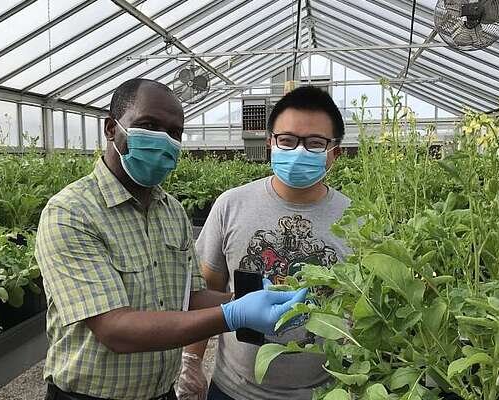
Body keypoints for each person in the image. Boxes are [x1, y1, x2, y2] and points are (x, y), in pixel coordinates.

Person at [35, 78, 307, 400]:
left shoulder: (172, 211)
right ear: (112, 129)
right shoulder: (72, 213)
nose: (163, 140)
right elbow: (115, 329)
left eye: (174, 133)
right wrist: (233, 315)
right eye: (149, 125)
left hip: (162, 393)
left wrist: (250, 298)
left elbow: (189, 298)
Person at [177, 86, 352, 400]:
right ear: (271, 143)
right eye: (287, 140)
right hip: (233, 390)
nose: (298, 151)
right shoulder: (231, 205)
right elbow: (206, 289)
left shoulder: (355, 221)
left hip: (323, 392)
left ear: (334, 153)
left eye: (315, 144)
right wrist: (191, 361)